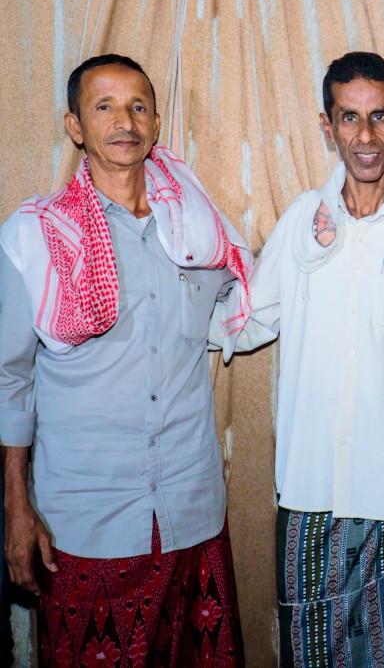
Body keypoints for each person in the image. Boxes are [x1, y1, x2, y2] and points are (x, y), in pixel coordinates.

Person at [222, 51, 384, 667]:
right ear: (327, 125)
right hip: (312, 485)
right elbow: (249, 319)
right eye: (349, 117)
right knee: (313, 652)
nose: (365, 136)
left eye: (379, 116)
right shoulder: (301, 225)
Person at [0, 54, 249, 665]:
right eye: (104, 106)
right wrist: (15, 507)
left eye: (138, 107)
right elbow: (10, 380)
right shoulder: (35, 237)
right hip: (85, 524)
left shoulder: (198, 233)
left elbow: (254, 302)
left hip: (192, 515)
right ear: (75, 126)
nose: (124, 122)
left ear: (156, 124)